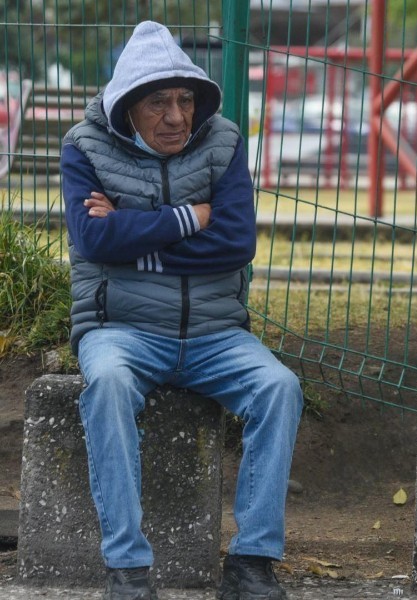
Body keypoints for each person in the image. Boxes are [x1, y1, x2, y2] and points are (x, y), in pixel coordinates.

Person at [60, 21, 303, 600]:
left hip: (217, 334)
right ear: (127, 108)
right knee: (110, 384)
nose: (176, 117)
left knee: (279, 386)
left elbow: (236, 243)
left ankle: (251, 566)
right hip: (120, 329)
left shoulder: (225, 142)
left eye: (185, 100)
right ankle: (127, 570)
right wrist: (190, 217)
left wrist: (131, 233)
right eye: (158, 103)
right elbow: (92, 243)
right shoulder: (83, 146)